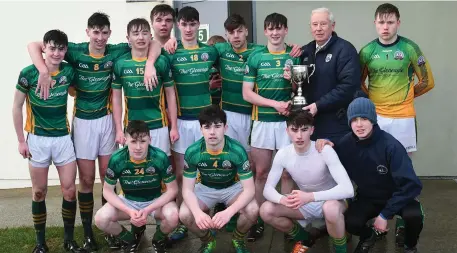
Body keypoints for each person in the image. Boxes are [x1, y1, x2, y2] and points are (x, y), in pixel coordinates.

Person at [27, 12, 162, 250]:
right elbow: (34, 45)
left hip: (107, 122)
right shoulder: (75, 50)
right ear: (88, 32)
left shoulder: (116, 50)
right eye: (95, 32)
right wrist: (43, 70)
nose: (100, 37)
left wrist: (150, 63)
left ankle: (110, 228)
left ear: (109, 33)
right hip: (83, 123)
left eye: (104, 32)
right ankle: (89, 232)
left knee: (109, 177)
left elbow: (153, 44)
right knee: (87, 180)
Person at [316, 97, 424, 253]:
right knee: (349, 222)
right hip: (369, 198)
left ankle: (410, 246)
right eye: (354, 120)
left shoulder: (391, 146)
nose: (359, 125)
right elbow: (334, 146)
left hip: (396, 196)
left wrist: (385, 215)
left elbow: (412, 185)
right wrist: (325, 141)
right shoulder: (347, 143)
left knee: (414, 215)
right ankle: (368, 236)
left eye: (364, 119)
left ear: (373, 120)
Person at [13, 30, 86, 253]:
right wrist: (20, 141)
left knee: (69, 191)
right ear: (44, 48)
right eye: (52, 47)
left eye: (60, 48)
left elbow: (75, 92)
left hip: (63, 139)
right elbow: (16, 107)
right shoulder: (28, 73)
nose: (56, 52)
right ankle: (40, 243)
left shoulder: (69, 72)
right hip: (37, 140)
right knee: (39, 191)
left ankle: (69, 240)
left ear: (65, 51)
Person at [161, 6, 220, 240]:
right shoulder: (170, 52)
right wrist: (164, 45)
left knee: (207, 172)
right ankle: (182, 223)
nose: (188, 28)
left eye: (192, 24)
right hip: (182, 122)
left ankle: (209, 217)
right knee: (180, 174)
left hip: (206, 122)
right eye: (183, 24)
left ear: (198, 25)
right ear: (178, 26)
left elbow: (237, 51)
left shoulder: (210, 51)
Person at [260, 111, 353, 253]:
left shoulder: (323, 150)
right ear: (287, 130)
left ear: (312, 130)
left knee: (331, 210)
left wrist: (310, 196)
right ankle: (305, 238)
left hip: (331, 200)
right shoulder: (283, 154)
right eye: (294, 130)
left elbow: (348, 189)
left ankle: (340, 250)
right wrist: (282, 200)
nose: (299, 136)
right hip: (305, 202)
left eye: (304, 130)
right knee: (266, 210)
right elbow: (267, 190)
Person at [242, 12, 300, 240]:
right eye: (270, 29)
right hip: (263, 122)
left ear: (286, 30)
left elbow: (300, 92)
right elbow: (247, 94)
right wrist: (274, 104)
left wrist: (292, 84)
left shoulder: (295, 56)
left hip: (287, 123)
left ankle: (287, 219)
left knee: (287, 172)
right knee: (261, 173)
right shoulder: (256, 58)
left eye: (279, 28)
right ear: (265, 31)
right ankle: (256, 220)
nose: (275, 33)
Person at [179, 105, 258, 253]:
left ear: (225, 128)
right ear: (201, 129)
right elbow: (186, 190)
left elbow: (250, 190)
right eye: (207, 127)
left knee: (253, 210)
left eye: (217, 126)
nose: (212, 132)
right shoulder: (193, 151)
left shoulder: (237, 150)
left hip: (233, 188)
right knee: (185, 214)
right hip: (205, 188)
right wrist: (197, 213)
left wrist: (229, 212)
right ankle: (208, 240)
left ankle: (238, 238)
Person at [359, 3, 434, 155]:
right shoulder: (367, 51)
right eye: (381, 22)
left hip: (404, 115)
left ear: (398, 23)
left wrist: (406, 96)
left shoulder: (410, 48)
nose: (385, 27)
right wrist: (372, 99)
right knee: (376, 160)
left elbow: (427, 82)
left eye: (390, 22)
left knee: (403, 163)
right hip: (375, 115)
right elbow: (357, 83)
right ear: (375, 23)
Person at [94, 120, 179, 253]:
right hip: (129, 201)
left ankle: (158, 240)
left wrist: (147, 210)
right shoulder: (117, 159)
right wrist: (128, 211)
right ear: (125, 140)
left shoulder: (160, 156)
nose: (138, 147)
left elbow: (173, 189)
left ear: (150, 140)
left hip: (155, 200)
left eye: (143, 141)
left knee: (173, 215)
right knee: (101, 218)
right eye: (133, 141)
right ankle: (130, 239)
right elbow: (107, 191)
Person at [284, 7, 360, 143]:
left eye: (323, 24)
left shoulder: (345, 50)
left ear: (333, 25)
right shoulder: (305, 51)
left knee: (334, 163)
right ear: (310, 27)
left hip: (336, 125)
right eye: (315, 24)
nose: (318, 28)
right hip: (309, 125)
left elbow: (348, 87)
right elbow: (300, 87)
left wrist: (318, 105)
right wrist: (292, 84)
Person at [112, 18, 178, 157]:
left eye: (144, 33)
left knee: (160, 170)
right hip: (131, 127)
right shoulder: (121, 63)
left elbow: (171, 95)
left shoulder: (161, 62)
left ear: (150, 36)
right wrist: (118, 129)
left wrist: (174, 127)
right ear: (128, 38)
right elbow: (116, 99)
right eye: (135, 34)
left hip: (158, 125)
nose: (140, 37)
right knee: (133, 171)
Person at [206, 35, 226, 106]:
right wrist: (209, 86)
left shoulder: (228, 66)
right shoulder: (204, 67)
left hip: (226, 107)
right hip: (208, 108)